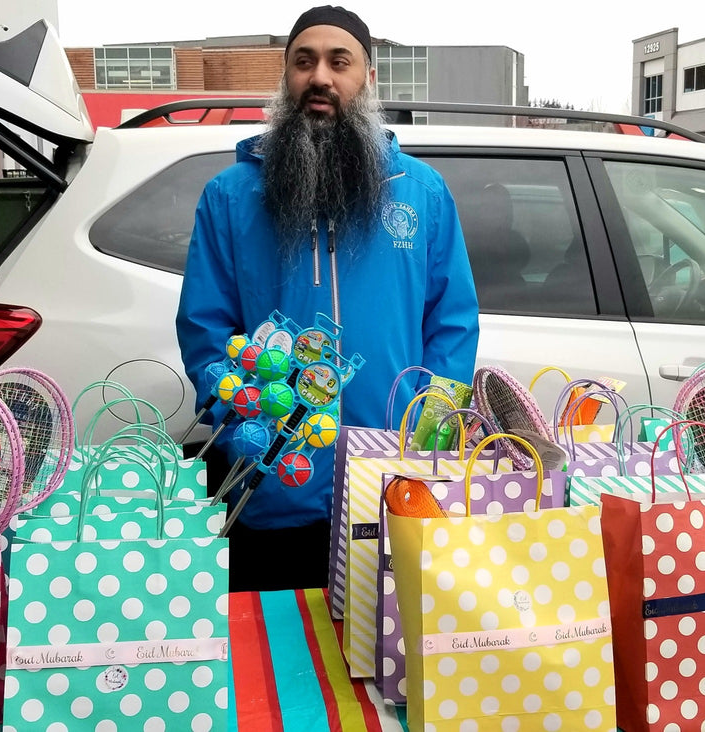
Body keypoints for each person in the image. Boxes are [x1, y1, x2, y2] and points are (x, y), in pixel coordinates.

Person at [175, 6, 479, 592]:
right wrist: (243, 420)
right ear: (285, 80)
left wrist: (428, 428)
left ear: (367, 79)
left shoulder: (420, 193)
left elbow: (452, 323)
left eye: (340, 62)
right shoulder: (231, 197)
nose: (321, 78)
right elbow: (205, 328)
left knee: (387, 662)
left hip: (393, 481)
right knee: (280, 658)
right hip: (273, 477)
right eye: (303, 61)